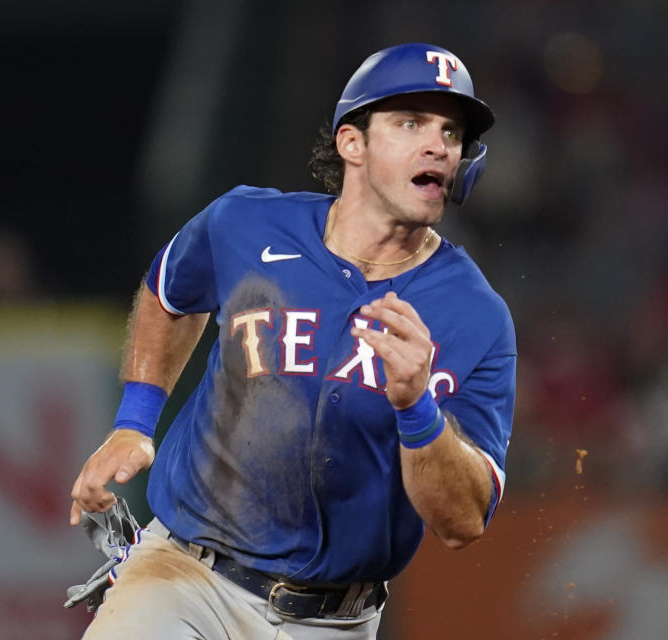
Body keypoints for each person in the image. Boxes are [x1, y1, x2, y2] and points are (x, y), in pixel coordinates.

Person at [69, 42, 517, 640]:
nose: (438, 144)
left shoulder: (474, 314)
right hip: (185, 576)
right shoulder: (247, 225)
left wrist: (418, 410)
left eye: (451, 131)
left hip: (337, 620)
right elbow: (168, 291)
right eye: (410, 122)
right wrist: (135, 417)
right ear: (351, 143)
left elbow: (463, 522)